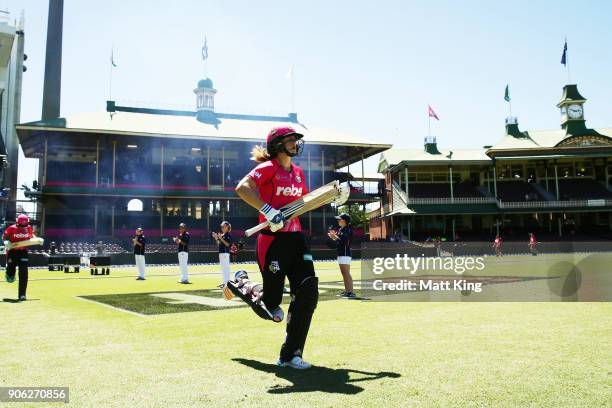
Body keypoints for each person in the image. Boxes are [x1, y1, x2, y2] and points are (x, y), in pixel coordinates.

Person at [235, 126, 317, 370]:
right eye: (290, 140)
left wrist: (330, 196)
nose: (295, 144)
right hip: (272, 240)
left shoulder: (299, 173)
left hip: (296, 239)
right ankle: (244, 284)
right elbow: (242, 188)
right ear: (277, 145)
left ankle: (291, 355)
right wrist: (267, 210)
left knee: (308, 292)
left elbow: (301, 204)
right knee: (272, 307)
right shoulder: (268, 168)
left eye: (295, 140)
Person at [3, 214, 35, 301]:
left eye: (25, 225)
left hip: (23, 252)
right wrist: (6, 242)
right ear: (17, 223)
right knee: (10, 277)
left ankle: (22, 295)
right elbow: (4, 237)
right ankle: (9, 273)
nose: (23, 227)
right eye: (21, 225)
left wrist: (37, 240)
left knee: (24, 272)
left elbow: (31, 236)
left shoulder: (28, 228)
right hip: (12, 251)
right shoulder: (11, 228)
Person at [327, 213, 356, 299]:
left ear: (344, 221)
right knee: (344, 273)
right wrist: (334, 237)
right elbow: (339, 241)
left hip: (345, 253)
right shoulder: (341, 229)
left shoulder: (347, 229)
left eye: (340, 219)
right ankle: (348, 291)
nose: (338, 221)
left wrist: (335, 236)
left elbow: (344, 241)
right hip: (342, 253)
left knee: (346, 273)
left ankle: (351, 292)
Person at [212, 221, 233, 287]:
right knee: (223, 269)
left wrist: (220, 238)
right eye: (221, 226)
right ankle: (225, 283)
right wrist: (216, 238)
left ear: (227, 227)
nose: (222, 228)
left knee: (226, 268)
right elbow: (219, 244)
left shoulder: (228, 235)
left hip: (225, 253)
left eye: (223, 226)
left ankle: (227, 284)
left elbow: (227, 244)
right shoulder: (223, 235)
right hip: (221, 253)